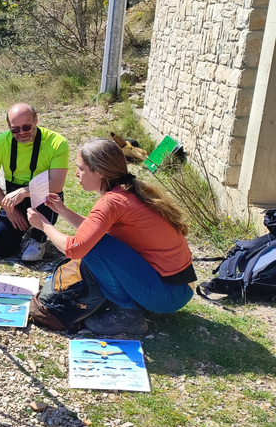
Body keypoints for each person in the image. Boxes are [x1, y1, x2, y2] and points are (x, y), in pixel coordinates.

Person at [27, 138, 196, 335]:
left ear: (98, 172)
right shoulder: (127, 191)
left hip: (168, 294)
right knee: (97, 242)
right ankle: (132, 303)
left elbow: (74, 248)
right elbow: (94, 230)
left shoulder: (112, 202)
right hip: (177, 288)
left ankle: (128, 315)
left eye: (80, 169)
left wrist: (44, 226)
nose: (76, 174)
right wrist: (62, 210)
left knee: (95, 247)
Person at [0, 103, 69, 262]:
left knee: (30, 257)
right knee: (3, 249)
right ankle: (26, 225)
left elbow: (57, 184)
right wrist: (8, 207)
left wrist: (24, 192)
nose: (21, 133)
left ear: (36, 120)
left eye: (27, 127)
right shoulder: (0, 143)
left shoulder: (57, 143)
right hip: (14, 197)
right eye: (15, 129)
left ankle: (38, 239)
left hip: (44, 196)